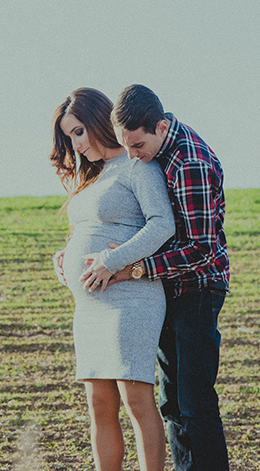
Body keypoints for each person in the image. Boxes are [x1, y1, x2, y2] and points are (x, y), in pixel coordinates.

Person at [81, 84, 231, 471]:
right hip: (172, 288)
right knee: (172, 402)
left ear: (161, 127)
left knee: (194, 401)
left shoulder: (189, 162)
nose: (132, 156)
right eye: (125, 147)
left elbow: (199, 249)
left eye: (137, 145)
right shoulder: (158, 151)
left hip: (197, 288)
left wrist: (133, 268)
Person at [50, 88, 176, 471]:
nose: (77, 143)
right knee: (98, 403)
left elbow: (162, 225)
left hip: (130, 297)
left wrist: (109, 260)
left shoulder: (138, 166)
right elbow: (86, 230)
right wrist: (65, 258)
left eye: (79, 131)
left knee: (136, 398)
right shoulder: (90, 176)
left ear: (98, 122)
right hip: (90, 305)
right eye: (70, 136)